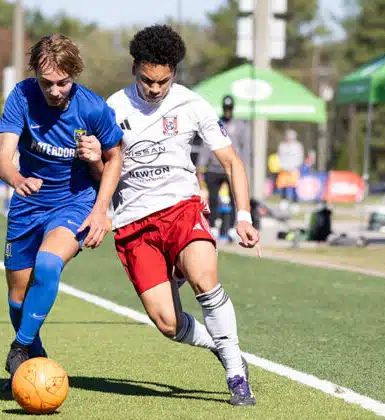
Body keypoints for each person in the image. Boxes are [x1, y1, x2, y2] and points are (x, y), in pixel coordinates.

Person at [81, 25, 259, 406]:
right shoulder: (112, 108)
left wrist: (243, 215)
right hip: (134, 224)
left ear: (174, 73)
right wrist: (95, 162)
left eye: (163, 81)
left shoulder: (193, 105)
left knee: (204, 279)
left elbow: (232, 162)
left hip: (181, 209)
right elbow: (104, 172)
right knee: (167, 323)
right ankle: (221, 345)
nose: (154, 89)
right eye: (147, 80)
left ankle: (236, 374)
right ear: (135, 69)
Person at [0, 34, 123, 383]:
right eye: (46, 82)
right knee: (18, 297)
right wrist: (17, 179)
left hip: (74, 201)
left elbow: (115, 159)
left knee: (48, 264)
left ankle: (19, 347)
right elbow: (2, 159)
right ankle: (33, 366)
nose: (54, 90)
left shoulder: (92, 108)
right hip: (27, 205)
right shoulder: (21, 96)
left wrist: (100, 210)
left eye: (62, 83)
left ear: (74, 75)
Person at [197, 94, 251, 243]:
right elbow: (206, 145)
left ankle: (233, 228)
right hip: (214, 167)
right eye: (225, 109)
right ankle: (213, 226)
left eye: (229, 109)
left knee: (235, 198)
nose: (227, 111)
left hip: (231, 169)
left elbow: (245, 148)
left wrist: (242, 168)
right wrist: (201, 166)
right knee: (213, 199)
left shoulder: (241, 126)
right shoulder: (215, 123)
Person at [276, 129, 304, 213]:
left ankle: (295, 203)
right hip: (283, 169)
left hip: (293, 170)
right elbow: (279, 156)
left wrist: (295, 166)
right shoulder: (282, 146)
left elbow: (300, 157)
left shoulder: (297, 146)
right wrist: (281, 166)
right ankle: (284, 202)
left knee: (294, 187)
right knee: (283, 186)